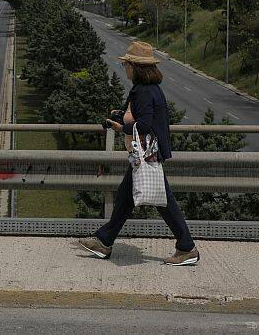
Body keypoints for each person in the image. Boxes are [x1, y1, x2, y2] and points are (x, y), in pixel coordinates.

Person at [78, 41, 199, 266]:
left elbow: (143, 125)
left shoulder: (143, 91)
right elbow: (140, 116)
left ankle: (187, 247)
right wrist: (120, 115)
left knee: (163, 202)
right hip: (146, 154)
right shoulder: (148, 90)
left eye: (127, 65)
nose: (125, 68)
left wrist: (119, 128)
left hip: (147, 154)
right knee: (126, 198)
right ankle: (104, 241)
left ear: (135, 67)